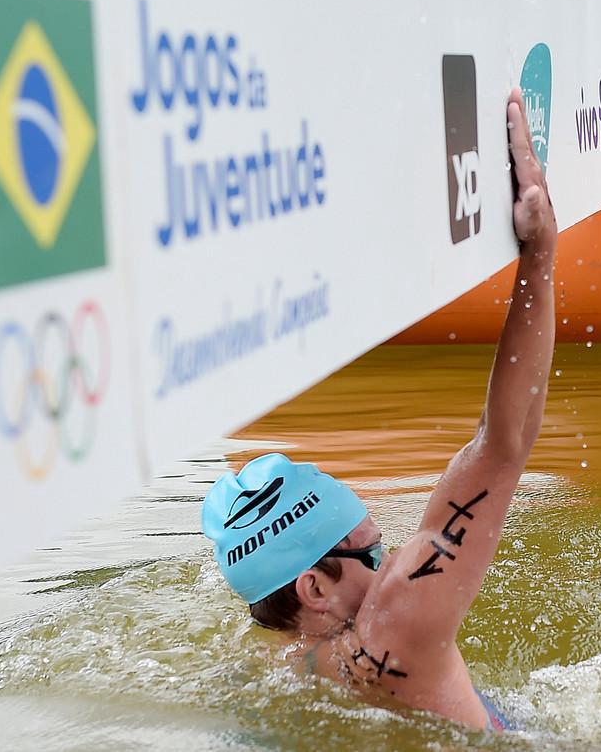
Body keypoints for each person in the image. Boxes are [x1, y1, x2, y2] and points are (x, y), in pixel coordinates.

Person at [201, 88, 557, 732]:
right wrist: (540, 259)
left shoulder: (261, 665)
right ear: (312, 587)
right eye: (370, 552)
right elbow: (502, 448)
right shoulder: (395, 626)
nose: (391, 560)